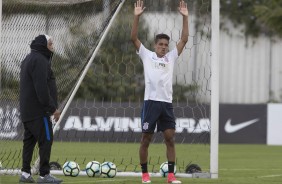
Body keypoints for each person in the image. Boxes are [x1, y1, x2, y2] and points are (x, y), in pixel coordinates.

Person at [131, 0, 189, 183]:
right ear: (155, 45)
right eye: (161, 44)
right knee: (145, 139)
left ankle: (171, 176)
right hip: (151, 103)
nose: (164, 47)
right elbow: (134, 38)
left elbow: (184, 40)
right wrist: (137, 17)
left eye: (166, 44)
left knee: (170, 138)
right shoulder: (147, 55)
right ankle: (145, 175)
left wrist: (185, 18)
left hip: (166, 104)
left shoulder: (171, 57)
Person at [19, 34, 62, 183]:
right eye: (50, 44)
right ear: (43, 45)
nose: (52, 47)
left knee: (29, 142)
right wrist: (52, 109)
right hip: (39, 112)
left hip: (27, 111)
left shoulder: (28, 59)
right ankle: (44, 175)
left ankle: (25, 173)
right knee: (46, 140)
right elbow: (41, 89)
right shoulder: (40, 60)